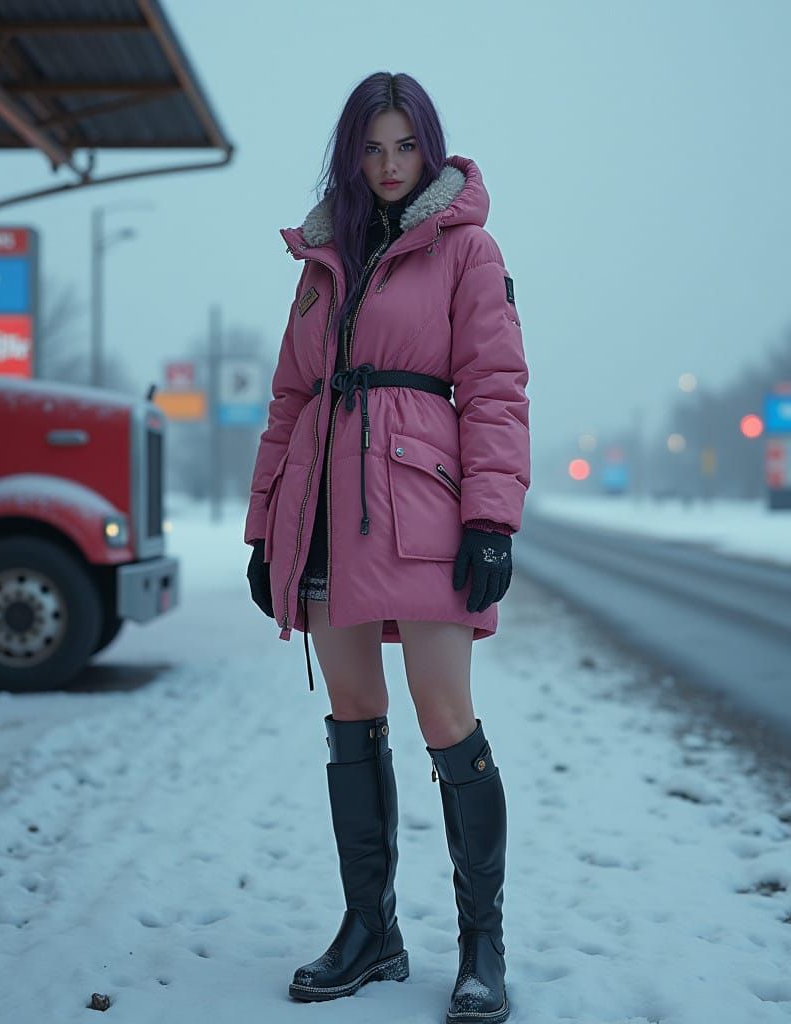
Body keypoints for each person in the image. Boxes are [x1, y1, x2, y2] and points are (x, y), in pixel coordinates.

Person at [244, 71, 530, 1024]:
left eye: (405, 145)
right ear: (350, 156)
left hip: (422, 505)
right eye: (373, 148)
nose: (390, 164)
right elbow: (289, 401)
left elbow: (494, 387)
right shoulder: (322, 259)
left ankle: (481, 946)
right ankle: (371, 931)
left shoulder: (468, 251)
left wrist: (492, 520)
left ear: (431, 148)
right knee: (352, 717)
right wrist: (262, 529)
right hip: (325, 508)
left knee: (446, 717)